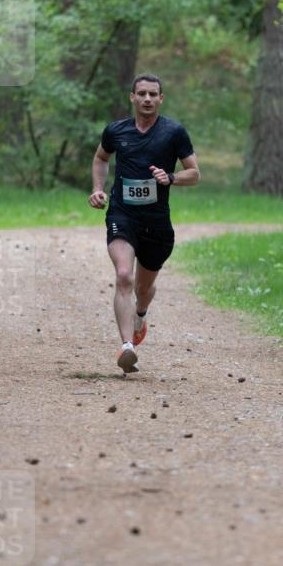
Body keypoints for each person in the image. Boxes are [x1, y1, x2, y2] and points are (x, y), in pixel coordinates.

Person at [89, 75, 200, 373]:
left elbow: (195, 173)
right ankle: (127, 347)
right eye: (142, 93)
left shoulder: (174, 132)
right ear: (132, 97)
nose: (147, 99)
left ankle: (141, 313)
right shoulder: (116, 131)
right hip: (122, 215)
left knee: (143, 288)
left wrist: (171, 178)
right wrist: (98, 188)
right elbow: (101, 158)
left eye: (153, 94)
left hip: (157, 222)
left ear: (161, 99)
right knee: (124, 275)